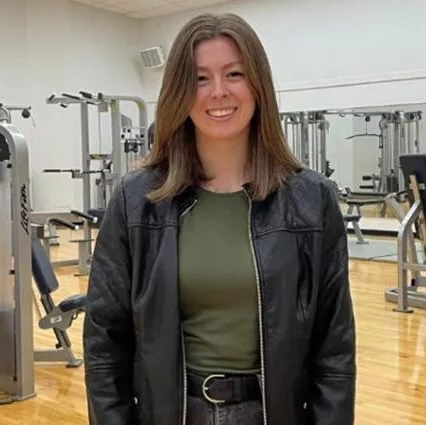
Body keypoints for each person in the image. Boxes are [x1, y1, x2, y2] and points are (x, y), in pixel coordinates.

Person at [82, 12, 356, 425]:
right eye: (200, 79)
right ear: (180, 91)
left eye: (234, 74)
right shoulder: (136, 201)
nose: (219, 92)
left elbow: (333, 349)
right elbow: (105, 343)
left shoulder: (310, 200)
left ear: (258, 85)